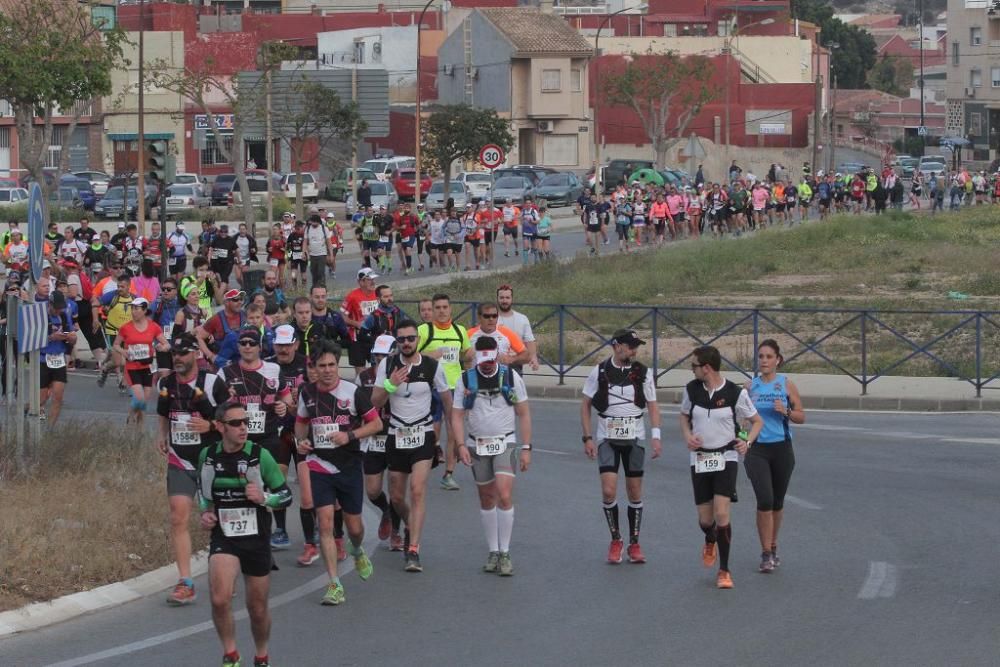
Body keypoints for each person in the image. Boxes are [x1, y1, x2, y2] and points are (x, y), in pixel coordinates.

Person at [198, 401, 292, 667]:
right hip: (224, 535)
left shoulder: (259, 455)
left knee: (257, 609)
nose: (243, 428)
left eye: (246, 423)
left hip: (256, 536)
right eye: (236, 423)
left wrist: (265, 498)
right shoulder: (207, 456)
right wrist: (205, 512)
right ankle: (230, 655)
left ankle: (261, 655)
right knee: (219, 599)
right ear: (219, 427)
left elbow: (286, 496)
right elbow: (203, 494)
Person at [295, 341, 382, 605]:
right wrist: (302, 442)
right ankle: (334, 584)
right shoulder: (307, 393)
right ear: (314, 368)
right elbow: (300, 425)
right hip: (319, 464)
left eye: (332, 364)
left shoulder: (353, 392)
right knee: (324, 522)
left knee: (355, 527)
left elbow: (376, 423)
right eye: (322, 366)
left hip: (349, 465)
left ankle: (356, 550)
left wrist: (350, 436)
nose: (328, 370)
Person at [370, 320, 452, 572]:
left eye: (411, 338)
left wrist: (456, 440)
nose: (406, 342)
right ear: (397, 342)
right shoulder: (388, 364)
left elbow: (448, 405)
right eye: (402, 339)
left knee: (417, 490)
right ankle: (408, 524)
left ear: (418, 340)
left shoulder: (432, 366)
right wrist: (390, 384)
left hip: (423, 434)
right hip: (396, 435)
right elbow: (375, 401)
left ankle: (413, 549)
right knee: (396, 496)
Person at [679, 345, 763, 589]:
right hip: (700, 459)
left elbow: (756, 421)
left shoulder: (735, 393)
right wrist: (687, 436)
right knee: (706, 520)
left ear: (706, 368)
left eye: (694, 366)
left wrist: (746, 440)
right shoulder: (692, 390)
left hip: (725, 456)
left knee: (722, 513)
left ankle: (724, 570)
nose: (691, 370)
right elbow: (684, 417)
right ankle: (710, 537)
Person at [156, 332, 230, 606]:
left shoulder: (212, 383)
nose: (177, 358)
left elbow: (233, 420)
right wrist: (161, 435)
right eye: (174, 354)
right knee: (178, 517)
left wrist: (211, 426)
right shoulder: (166, 383)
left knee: (219, 520)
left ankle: (227, 568)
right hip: (180, 459)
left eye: (183, 353)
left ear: (195, 355)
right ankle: (186, 582)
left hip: (212, 460)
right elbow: (164, 413)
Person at [451, 336, 531, 576]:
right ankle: (493, 550)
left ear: (496, 354)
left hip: (505, 442)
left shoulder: (511, 377)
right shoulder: (465, 379)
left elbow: (524, 414)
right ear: (476, 356)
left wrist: (526, 448)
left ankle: (505, 552)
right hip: (478, 445)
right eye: (482, 358)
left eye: (490, 358)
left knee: (504, 495)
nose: (486, 363)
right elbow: (456, 415)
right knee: (486, 498)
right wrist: (461, 445)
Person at [580, 329, 662, 564]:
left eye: (636, 346)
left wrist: (656, 436)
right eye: (630, 345)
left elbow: (653, 406)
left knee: (635, 492)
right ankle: (616, 539)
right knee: (608, 491)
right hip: (607, 438)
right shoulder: (599, 371)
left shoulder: (643, 373)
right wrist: (587, 437)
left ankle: (634, 543)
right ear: (617, 346)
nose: (635, 350)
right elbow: (585, 405)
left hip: (634, 438)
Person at [220, 327, 294, 546]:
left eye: (252, 343)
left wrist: (283, 406)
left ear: (260, 347)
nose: (248, 347)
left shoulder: (272, 369)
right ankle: (243, 528)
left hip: (269, 435)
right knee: (242, 485)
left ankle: (280, 529)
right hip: (239, 439)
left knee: (275, 482)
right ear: (238, 346)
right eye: (243, 343)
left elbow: (287, 400)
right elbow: (214, 403)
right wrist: (225, 397)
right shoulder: (226, 373)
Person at [745, 340, 805, 573]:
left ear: (778, 360)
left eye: (769, 357)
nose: (764, 361)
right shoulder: (750, 387)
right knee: (765, 500)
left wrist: (787, 411)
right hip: (757, 449)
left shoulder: (786, 385)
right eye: (761, 357)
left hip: (781, 448)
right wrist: (744, 440)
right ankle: (766, 553)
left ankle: (773, 544)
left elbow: (802, 417)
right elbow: (742, 421)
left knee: (777, 503)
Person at [415, 293, 471, 491]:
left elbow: (467, 354)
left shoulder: (459, 330)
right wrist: (430, 355)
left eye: (444, 307)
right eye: (437, 307)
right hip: (431, 386)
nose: (440, 311)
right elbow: (410, 354)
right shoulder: (423, 330)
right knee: (433, 428)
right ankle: (429, 455)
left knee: (454, 430)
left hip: (454, 386)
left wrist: (469, 378)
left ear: (450, 309)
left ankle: (448, 474)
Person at [357, 334, 403, 549]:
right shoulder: (363, 377)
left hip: (396, 437)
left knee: (397, 491)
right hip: (372, 439)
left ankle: (396, 531)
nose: (380, 359)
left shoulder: (403, 375)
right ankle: (385, 511)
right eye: (377, 355)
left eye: (384, 355)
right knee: (373, 491)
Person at [113, 296, 170, 426]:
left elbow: (166, 344)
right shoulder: (125, 328)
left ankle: (139, 433)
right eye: (132, 308)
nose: (133, 312)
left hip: (148, 367)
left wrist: (162, 347)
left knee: (143, 404)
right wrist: (123, 351)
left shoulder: (153, 327)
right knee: (139, 398)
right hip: (132, 367)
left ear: (144, 310)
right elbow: (116, 345)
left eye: (137, 309)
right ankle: (131, 414)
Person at [38, 291, 75, 423]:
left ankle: (50, 430)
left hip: (59, 359)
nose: (59, 310)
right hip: (43, 358)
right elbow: (33, 339)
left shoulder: (64, 316)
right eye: (56, 308)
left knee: (58, 397)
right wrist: (51, 337)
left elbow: (71, 335)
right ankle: (28, 410)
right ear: (50, 304)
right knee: (41, 399)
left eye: (61, 308)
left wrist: (72, 338)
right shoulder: (41, 315)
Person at [340, 268, 380, 376]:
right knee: (360, 373)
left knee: (378, 369)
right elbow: (343, 316)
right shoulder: (352, 296)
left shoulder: (378, 294)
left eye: (373, 279)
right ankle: (361, 391)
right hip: (357, 339)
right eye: (369, 280)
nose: (373, 282)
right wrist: (357, 324)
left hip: (374, 338)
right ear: (361, 282)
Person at [196, 288, 248, 369]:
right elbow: (198, 337)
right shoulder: (216, 319)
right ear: (226, 302)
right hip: (223, 365)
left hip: (243, 362)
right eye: (235, 300)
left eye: (241, 299)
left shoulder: (246, 316)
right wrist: (211, 356)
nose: (239, 302)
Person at [466, 302, 530, 367]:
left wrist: (512, 359)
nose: (491, 319)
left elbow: (527, 355)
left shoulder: (506, 333)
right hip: (476, 375)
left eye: (494, 316)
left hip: (500, 376)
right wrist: (465, 358)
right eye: (486, 316)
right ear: (479, 317)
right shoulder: (469, 334)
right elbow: (458, 357)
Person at [496, 284, 539, 376]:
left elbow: (529, 340)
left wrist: (533, 357)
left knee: (515, 390)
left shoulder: (522, 318)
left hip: (516, 363)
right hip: (495, 365)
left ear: (512, 299)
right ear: (497, 299)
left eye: (507, 297)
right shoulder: (491, 318)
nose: (504, 301)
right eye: (502, 298)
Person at [304, 214, 332, 288]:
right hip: (311, 256)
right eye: (312, 222)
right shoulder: (308, 229)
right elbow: (305, 242)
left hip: (322, 254)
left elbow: (329, 242)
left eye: (315, 222)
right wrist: (304, 253)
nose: (313, 224)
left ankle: (322, 288)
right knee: (313, 273)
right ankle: (315, 289)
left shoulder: (324, 229)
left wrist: (331, 255)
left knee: (320, 272)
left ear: (318, 222)